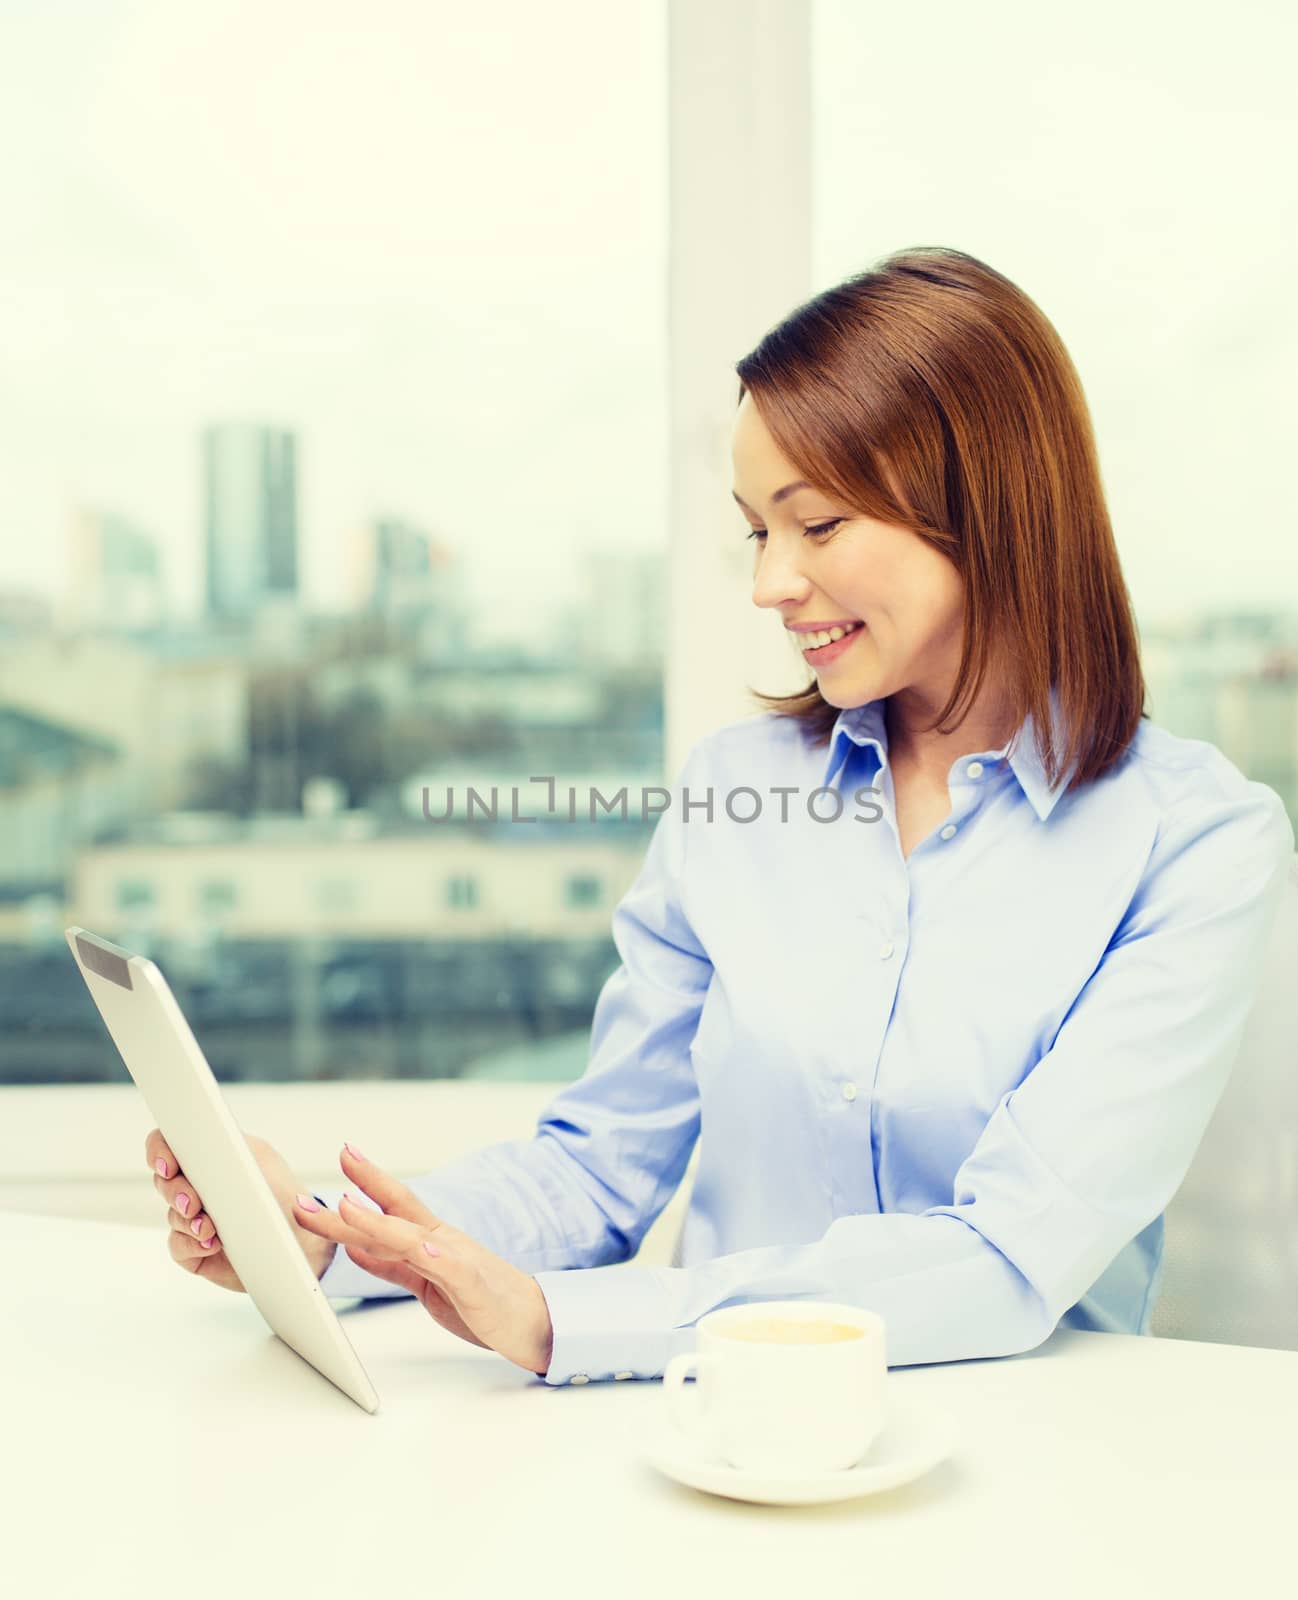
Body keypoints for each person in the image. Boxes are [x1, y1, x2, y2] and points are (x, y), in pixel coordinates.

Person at [146, 245, 1295, 1389]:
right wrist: (323, 1234)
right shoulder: (730, 797)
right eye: (757, 529)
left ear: (982, 504)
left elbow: (1005, 1258)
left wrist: (568, 1324)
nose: (768, 584)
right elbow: (598, 1168)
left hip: (1025, 1480)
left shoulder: (1193, 842)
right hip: (728, 1452)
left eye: (818, 524)